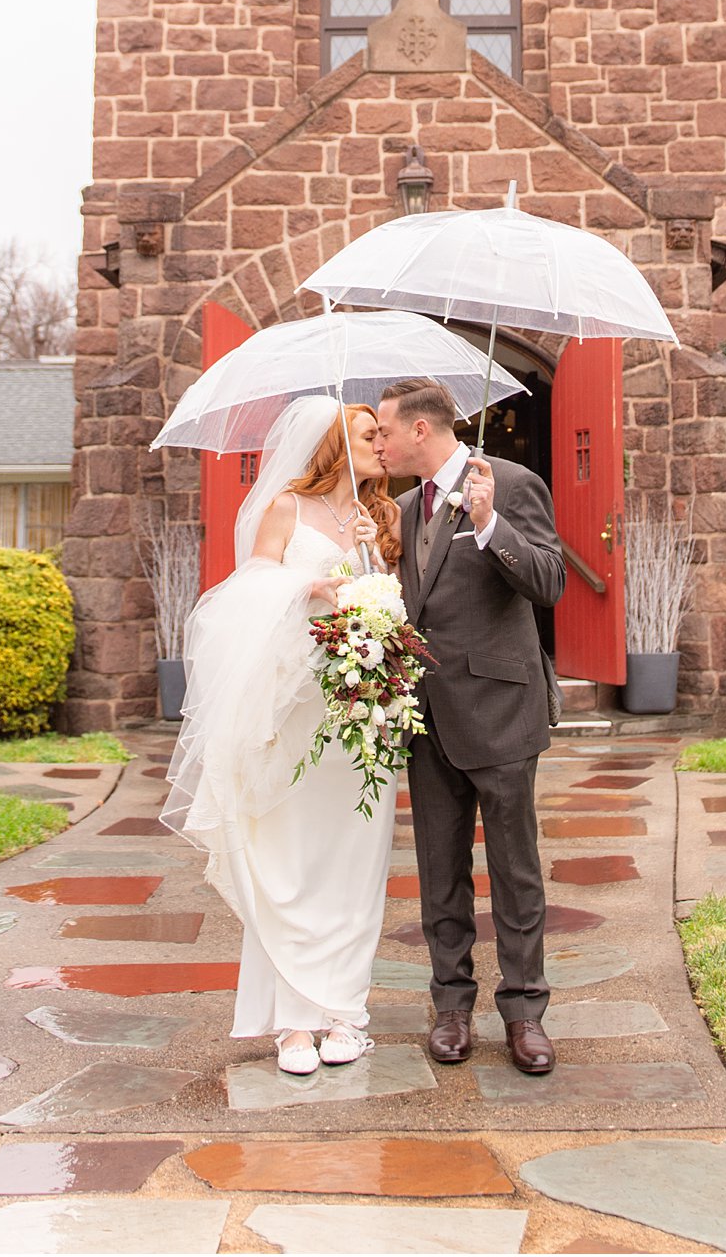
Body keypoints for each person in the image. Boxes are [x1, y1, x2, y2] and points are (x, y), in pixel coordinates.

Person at [161, 394, 402, 1075]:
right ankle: (292, 1023)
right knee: (289, 862)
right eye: (366, 434)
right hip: (291, 709)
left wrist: (371, 559)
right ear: (332, 443)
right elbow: (242, 594)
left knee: (354, 860)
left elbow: (394, 602)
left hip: (357, 713)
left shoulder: (381, 515)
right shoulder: (286, 509)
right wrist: (307, 587)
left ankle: (345, 1013)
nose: (380, 445)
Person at [374, 376, 566, 1076]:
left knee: (516, 871)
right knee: (439, 871)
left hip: (502, 706)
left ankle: (525, 1013)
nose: (380, 444)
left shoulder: (510, 483)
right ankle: (451, 1005)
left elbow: (549, 582)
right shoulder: (397, 509)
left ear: (421, 430)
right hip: (427, 717)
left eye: (386, 432)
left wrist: (490, 525)